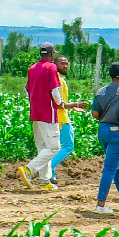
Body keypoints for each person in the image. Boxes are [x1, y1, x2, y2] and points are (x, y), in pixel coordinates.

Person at [90, 61, 119, 213]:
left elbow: (95, 113)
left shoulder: (101, 92)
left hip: (103, 131)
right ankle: (100, 205)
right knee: (110, 167)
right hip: (118, 133)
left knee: (117, 165)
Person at [19, 42, 63, 191]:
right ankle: (29, 169)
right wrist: (60, 103)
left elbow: (27, 91)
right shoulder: (51, 67)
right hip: (48, 112)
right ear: (51, 55)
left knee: (43, 148)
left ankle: (45, 181)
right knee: (54, 147)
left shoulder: (32, 68)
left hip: (35, 112)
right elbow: (55, 92)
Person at [47, 56, 77, 187]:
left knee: (54, 148)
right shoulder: (58, 81)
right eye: (62, 63)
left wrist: (72, 106)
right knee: (68, 146)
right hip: (61, 118)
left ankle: (51, 174)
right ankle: (48, 169)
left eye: (66, 63)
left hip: (54, 117)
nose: (65, 66)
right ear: (55, 64)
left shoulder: (53, 79)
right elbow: (60, 104)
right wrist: (75, 104)